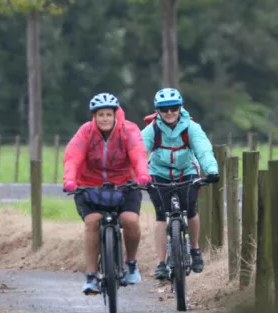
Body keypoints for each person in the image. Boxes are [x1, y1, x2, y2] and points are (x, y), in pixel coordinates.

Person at [63, 92, 152, 295]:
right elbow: (73, 156)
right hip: (89, 186)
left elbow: (138, 154)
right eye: (100, 115)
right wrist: (69, 180)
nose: (104, 118)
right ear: (94, 116)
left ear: (115, 115)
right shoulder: (85, 132)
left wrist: (142, 175)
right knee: (93, 221)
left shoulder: (128, 130)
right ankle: (92, 276)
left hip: (124, 185)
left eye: (108, 114)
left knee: (129, 220)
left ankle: (131, 264)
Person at [141, 88, 220, 280]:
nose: (169, 113)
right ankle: (161, 262)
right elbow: (138, 152)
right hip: (158, 173)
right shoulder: (152, 129)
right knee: (161, 215)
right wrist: (136, 175)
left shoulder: (191, 127)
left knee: (190, 209)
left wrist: (211, 170)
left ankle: (194, 249)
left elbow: (203, 149)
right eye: (164, 109)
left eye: (174, 108)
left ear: (180, 108)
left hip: (187, 171)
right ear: (157, 111)